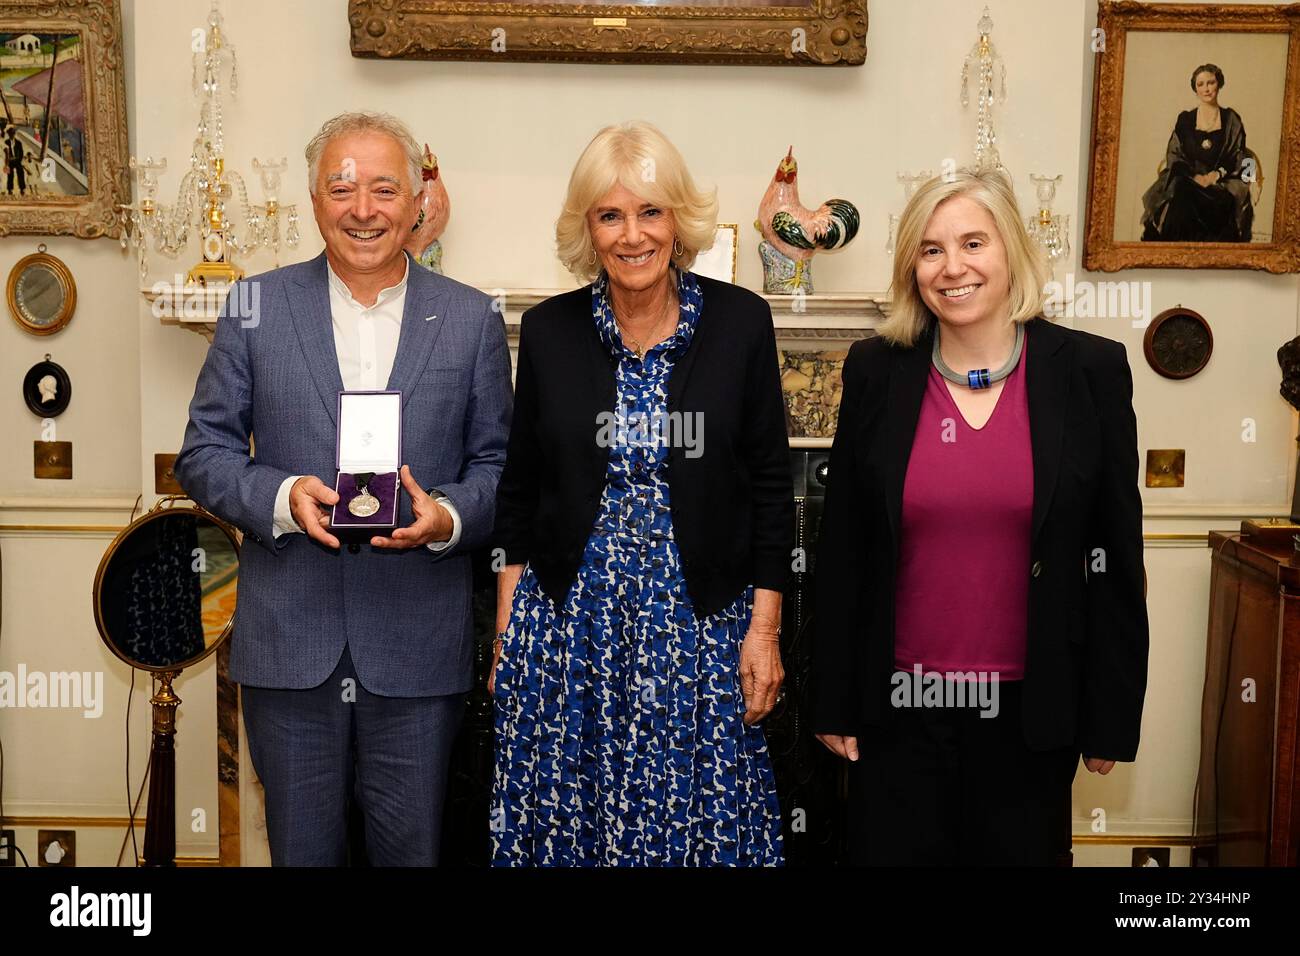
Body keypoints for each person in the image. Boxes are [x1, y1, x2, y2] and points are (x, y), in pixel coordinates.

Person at [175, 111, 512, 866]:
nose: (364, 209)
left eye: (385, 188)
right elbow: (204, 454)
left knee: (412, 854)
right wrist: (282, 495)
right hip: (291, 647)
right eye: (342, 188)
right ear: (314, 198)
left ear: (419, 198)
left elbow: (500, 467)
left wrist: (448, 516)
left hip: (417, 649)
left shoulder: (470, 318)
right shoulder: (255, 307)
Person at [811, 167, 1148, 865]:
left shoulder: (1089, 370)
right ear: (913, 267)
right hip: (897, 708)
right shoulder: (876, 371)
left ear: (1011, 253)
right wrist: (832, 698)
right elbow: (841, 548)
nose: (953, 267)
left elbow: (1117, 557)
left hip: (1032, 713)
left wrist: (1110, 717)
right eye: (931, 249)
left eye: (973, 243)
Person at [490, 121, 792, 866]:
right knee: (574, 820)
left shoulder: (740, 323)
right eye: (611, 215)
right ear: (588, 229)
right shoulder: (551, 332)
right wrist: (506, 639)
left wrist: (765, 631)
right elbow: (518, 494)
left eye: (650, 211)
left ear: (679, 221)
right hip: (570, 628)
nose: (633, 235)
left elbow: (771, 487)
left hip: (700, 625)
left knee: (704, 823)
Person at [1141, 63, 1253, 242]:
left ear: (1219, 84)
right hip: (1189, 179)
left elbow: (1239, 154)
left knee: (1214, 200)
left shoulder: (1231, 119)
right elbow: (1175, 155)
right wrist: (1194, 177)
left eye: (1211, 83)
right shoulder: (1185, 119)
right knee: (1181, 192)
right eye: (1201, 84)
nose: (1206, 89)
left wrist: (1216, 174)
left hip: (1221, 183)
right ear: (1195, 88)